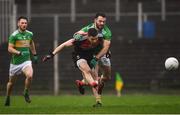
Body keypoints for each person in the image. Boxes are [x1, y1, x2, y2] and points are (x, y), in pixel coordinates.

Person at [42, 28, 103, 107]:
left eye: (96, 39)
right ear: (88, 36)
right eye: (92, 39)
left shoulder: (100, 38)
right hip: (79, 56)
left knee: (93, 77)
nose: (95, 41)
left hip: (91, 56)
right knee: (87, 71)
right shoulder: (79, 39)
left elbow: (105, 46)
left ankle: (95, 99)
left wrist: (107, 52)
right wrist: (51, 54)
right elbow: (64, 45)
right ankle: (94, 84)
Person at [75, 13, 112, 107]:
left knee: (107, 77)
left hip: (103, 53)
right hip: (92, 53)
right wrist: (77, 36)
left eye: (104, 21)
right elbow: (76, 34)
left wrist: (97, 58)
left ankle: (82, 82)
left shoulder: (107, 31)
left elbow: (106, 47)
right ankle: (98, 100)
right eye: (100, 21)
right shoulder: (89, 28)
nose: (102, 23)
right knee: (94, 77)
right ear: (95, 20)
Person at [4, 16, 38, 106]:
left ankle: (26, 92)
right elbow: (9, 49)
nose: (24, 24)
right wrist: (18, 52)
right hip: (15, 63)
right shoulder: (14, 35)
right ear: (18, 24)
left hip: (26, 61)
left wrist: (34, 54)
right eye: (22, 23)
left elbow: (31, 43)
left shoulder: (30, 34)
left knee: (30, 75)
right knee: (11, 83)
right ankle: (8, 96)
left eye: (25, 23)